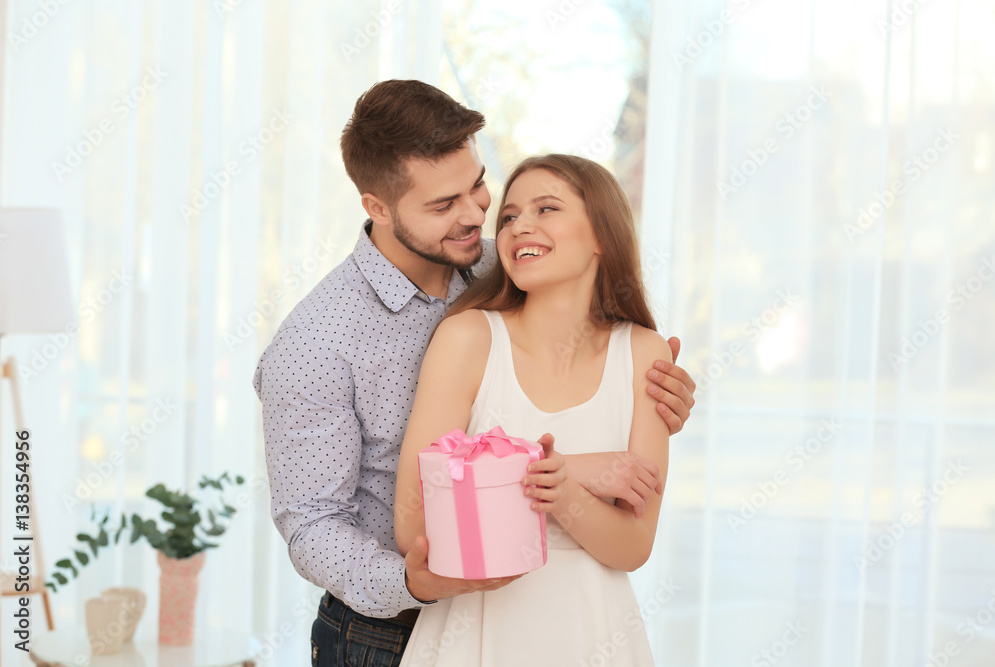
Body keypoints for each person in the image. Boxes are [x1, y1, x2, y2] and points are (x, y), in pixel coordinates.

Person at [254, 80, 695, 667]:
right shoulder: (313, 346)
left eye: (479, 187)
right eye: (442, 205)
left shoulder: (504, 262)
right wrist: (417, 582)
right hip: (387, 627)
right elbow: (312, 525)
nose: (476, 218)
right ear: (377, 207)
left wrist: (659, 403)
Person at [394, 154, 669, 666]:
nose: (521, 225)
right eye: (509, 216)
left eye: (546, 208)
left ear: (602, 237)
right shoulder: (469, 337)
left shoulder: (646, 355)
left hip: (595, 635)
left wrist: (563, 493)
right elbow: (415, 525)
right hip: (472, 637)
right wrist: (561, 473)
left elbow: (633, 547)